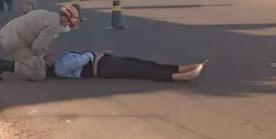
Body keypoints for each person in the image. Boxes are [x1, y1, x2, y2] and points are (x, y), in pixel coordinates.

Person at [0, 4, 81, 81]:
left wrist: (45, 54)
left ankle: (15, 63)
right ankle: (3, 65)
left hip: (8, 34)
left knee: (36, 61)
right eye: (69, 24)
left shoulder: (50, 16)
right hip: (14, 42)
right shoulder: (54, 26)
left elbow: (40, 40)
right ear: (66, 18)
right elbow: (37, 47)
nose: (67, 25)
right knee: (39, 73)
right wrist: (44, 59)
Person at [47, 51, 206, 82]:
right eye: (47, 56)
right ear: (47, 62)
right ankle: (179, 76)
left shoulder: (62, 58)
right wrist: (91, 54)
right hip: (102, 68)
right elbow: (81, 61)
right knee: (140, 70)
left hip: (103, 61)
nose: (51, 53)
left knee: (144, 63)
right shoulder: (59, 67)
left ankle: (181, 68)